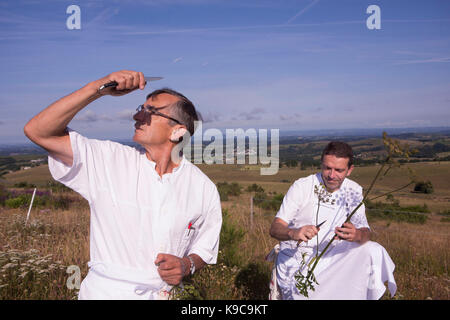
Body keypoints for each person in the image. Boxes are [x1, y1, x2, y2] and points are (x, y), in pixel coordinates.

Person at [24, 70, 222, 299]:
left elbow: (205, 247)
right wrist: (99, 87)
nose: (137, 116)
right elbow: (38, 131)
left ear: (178, 131)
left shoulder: (202, 187)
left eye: (151, 111)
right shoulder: (108, 159)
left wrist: (188, 265)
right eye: (141, 108)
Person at [269, 141, 396, 300]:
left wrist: (356, 235)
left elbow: (366, 234)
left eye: (339, 170)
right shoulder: (302, 186)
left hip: (334, 257)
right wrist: (293, 232)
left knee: (373, 250)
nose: (331, 175)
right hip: (299, 259)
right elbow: (274, 228)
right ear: (321, 164)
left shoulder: (353, 190)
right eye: (327, 168)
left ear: (350, 170)